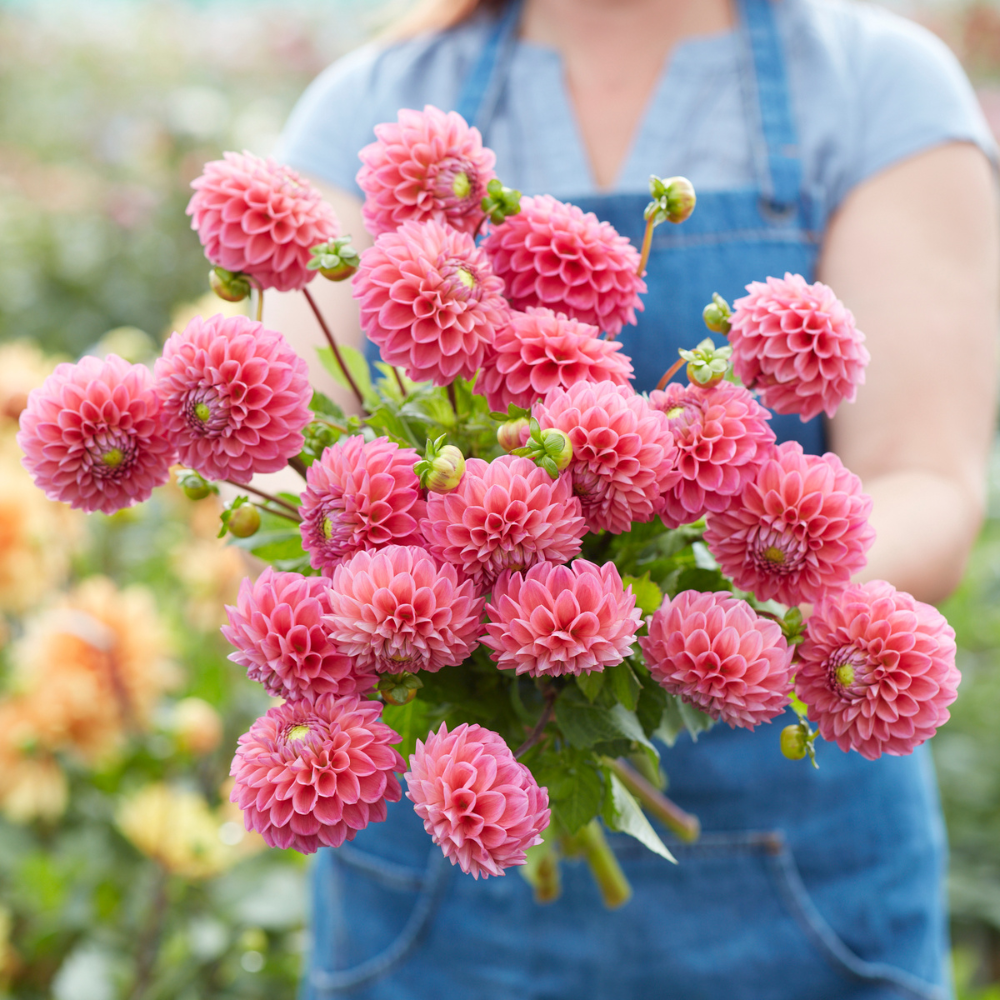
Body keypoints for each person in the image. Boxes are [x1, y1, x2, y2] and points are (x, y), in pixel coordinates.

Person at [266, 0, 1000, 996]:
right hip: (435, 885)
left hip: (799, 884)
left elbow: (924, 482)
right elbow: (295, 459)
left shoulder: (874, 84)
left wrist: (692, 622)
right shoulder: (367, 103)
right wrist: (460, 610)